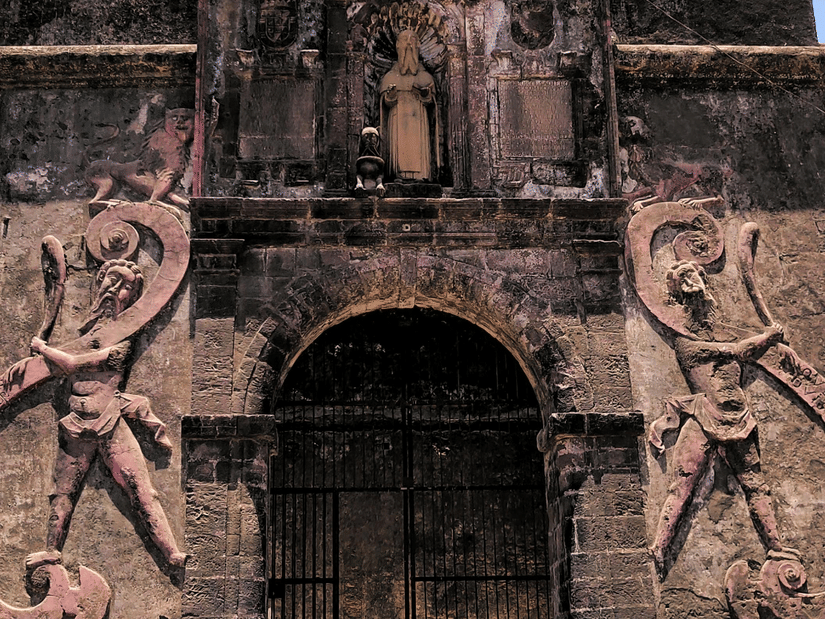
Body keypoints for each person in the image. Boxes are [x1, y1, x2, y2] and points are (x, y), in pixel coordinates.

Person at [24, 259, 186, 569]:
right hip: (74, 423)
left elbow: (72, 364)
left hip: (109, 420)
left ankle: (172, 553)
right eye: (113, 279)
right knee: (62, 493)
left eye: (127, 287)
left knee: (140, 489)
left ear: (133, 297)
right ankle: (52, 551)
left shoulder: (122, 339)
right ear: (100, 282)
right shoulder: (86, 333)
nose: (116, 289)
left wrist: (42, 348)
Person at [649, 260, 793, 571]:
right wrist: (769, 336)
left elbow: (745, 350)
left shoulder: (719, 335)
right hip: (704, 415)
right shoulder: (686, 344)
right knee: (683, 483)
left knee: (755, 484)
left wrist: (777, 343)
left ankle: (777, 546)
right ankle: (659, 547)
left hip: (738, 417)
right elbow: (740, 351)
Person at [379, 30, 439, 181]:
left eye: (412, 41)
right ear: (397, 46)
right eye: (404, 41)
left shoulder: (425, 77)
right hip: (397, 120)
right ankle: (396, 174)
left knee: (418, 151)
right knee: (399, 153)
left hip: (419, 121)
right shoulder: (390, 77)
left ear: (418, 47)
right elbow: (384, 104)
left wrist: (425, 95)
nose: (408, 44)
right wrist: (390, 96)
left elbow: (433, 106)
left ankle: (423, 177)